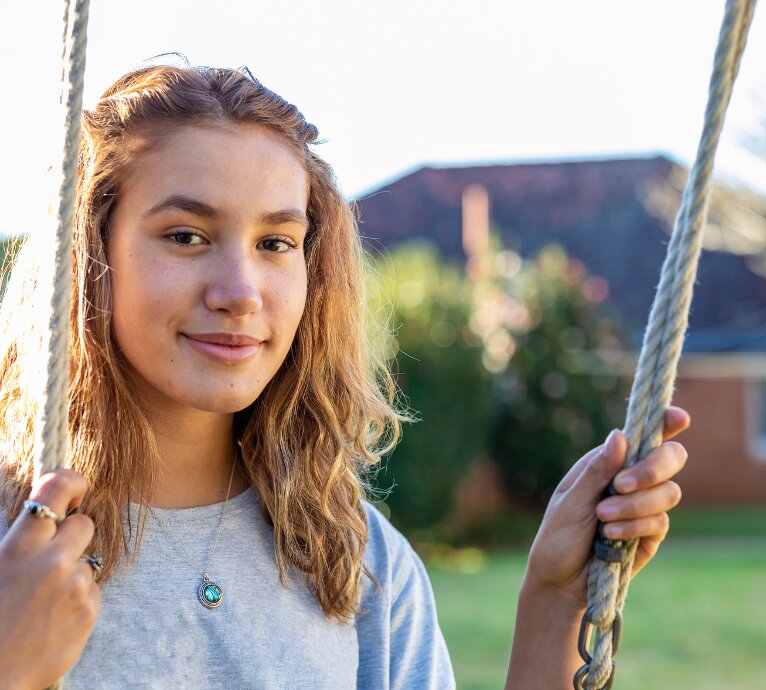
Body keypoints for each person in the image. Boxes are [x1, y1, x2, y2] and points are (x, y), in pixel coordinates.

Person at [0, 64, 688, 690]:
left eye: (275, 243)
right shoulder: (15, 557)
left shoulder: (357, 563)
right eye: (186, 235)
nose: (241, 291)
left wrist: (555, 601)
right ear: (87, 253)